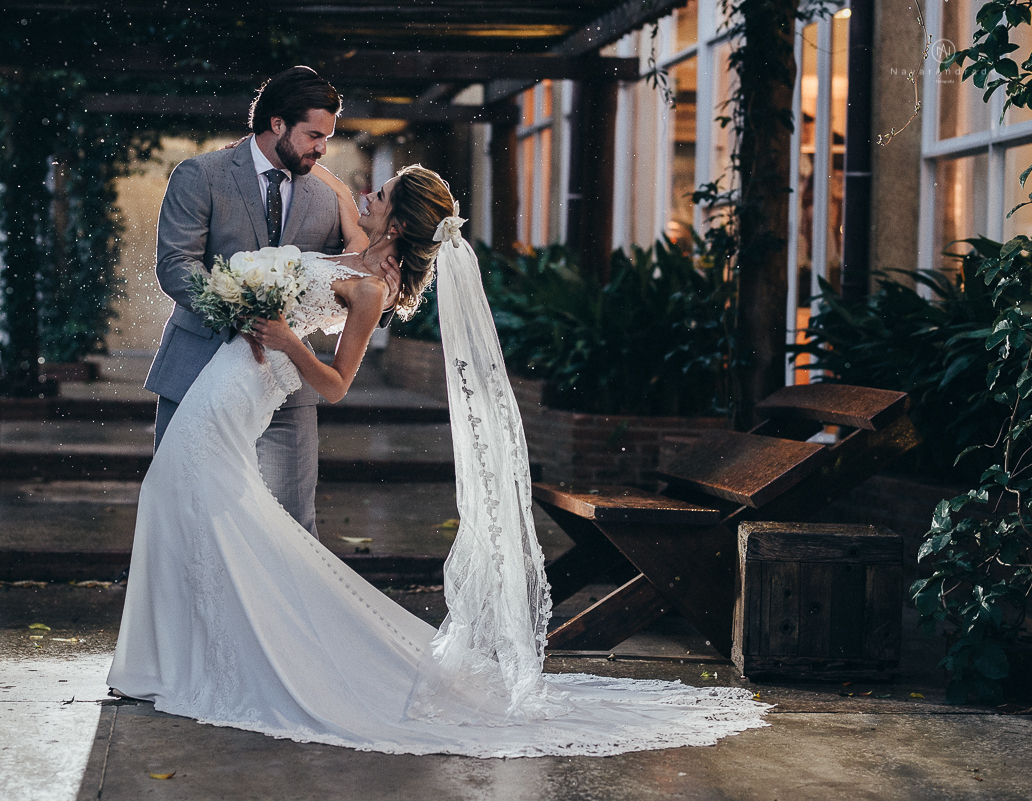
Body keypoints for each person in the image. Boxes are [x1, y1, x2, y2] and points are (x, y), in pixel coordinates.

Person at [108, 164, 769, 757]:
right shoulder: (359, 250)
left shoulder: (370, 288)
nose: (365, 192)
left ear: (394, 221)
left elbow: (335, 384)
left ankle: (175, 665)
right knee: (189, 503)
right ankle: (174, 660)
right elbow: (336, 186)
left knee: (185, 498)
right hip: (229, 381)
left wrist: (284, 336)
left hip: (243, 387)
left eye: (383, 192)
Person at [145, 65, 399, 539]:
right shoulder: (202, 175)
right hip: (198, 369)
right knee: (185, 517)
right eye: (314, 135)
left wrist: (387, 291)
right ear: (277, 123)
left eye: (327, 136)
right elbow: (176, 265)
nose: (323, 147)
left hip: (287, 389)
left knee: (290, 529)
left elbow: (358, 273)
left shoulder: (327, 197)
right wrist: (238, 311)